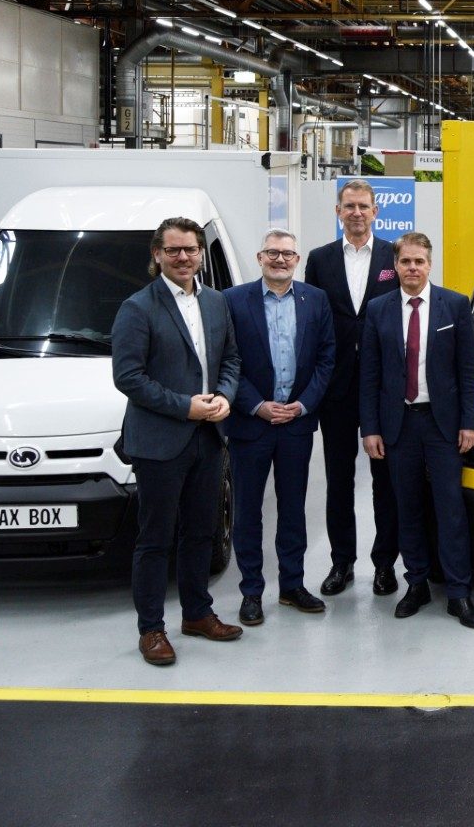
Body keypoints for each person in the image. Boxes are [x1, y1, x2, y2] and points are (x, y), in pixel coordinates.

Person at [111, 216, 244, 666]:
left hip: (209, 437)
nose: (183, 257)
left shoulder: (216, 302)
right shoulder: (137, 308)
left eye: (190, 249)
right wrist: (185, 407)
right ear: (157, 255)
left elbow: (231, 359)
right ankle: (151, 628)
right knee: (155, 538)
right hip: (160, 441)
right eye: (173, 250)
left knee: (201, 532)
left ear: (201, 253)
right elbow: (129, 377)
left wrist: (224, 396)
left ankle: (197, 613)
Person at [359, 232, 474, 629]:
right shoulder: (378, 309)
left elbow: (469, 371)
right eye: (405, 261)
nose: (412, 268)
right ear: (395, 266)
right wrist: (370, 428)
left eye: (419, 261)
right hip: (398, 425)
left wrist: (470, 422)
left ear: (430, 265)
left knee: (451, 509)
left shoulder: (455, 305)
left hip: (443, 424)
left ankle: (459, 592)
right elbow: (369, 375)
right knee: (407, 506)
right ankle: (416, 584)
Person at [223, 230, 336, 627]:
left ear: (297, 260)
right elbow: (227, 362)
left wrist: (302, 405)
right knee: (247, 512)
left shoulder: (315, 300)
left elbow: (326, 359)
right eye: (272, 252)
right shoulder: (233, 301)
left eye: (288, 254)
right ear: (259, 257)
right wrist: (257, 406)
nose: (280, 259)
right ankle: (251, 592)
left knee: (292, 509)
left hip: (295, 425)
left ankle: (292, 585)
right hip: (249, 424)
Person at [303, 179, 402, 599]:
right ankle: (341, 562)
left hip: (383, 389)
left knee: (386, 481)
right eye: (349, 206)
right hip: (337, 388)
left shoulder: (394, 256)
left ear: (376, 212)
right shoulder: (319, 259)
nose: (356, 213)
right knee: (339, 481)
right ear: (338, 212)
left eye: (363, 206)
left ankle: (385, 565)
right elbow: (311, 321)